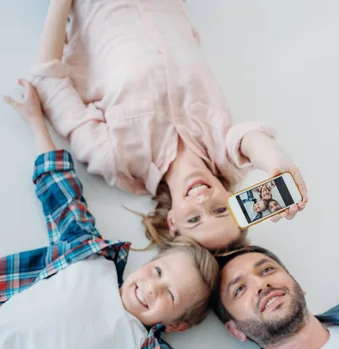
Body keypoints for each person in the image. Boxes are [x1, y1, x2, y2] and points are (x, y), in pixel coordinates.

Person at [27, 0, 308, 252]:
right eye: (220, 209)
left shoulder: (116, 159)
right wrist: (277, 160)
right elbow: (248, 139)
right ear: (232, 197)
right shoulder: (222, 150)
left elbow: (47, 79)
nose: (202, 200)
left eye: (194, 218)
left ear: (173, 221)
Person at [2, 80, 218, 349]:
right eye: (158, 272)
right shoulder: (91, 257)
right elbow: (61, 195)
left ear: (176, 325)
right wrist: (36, 120)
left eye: (169, 296)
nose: (151, 287)